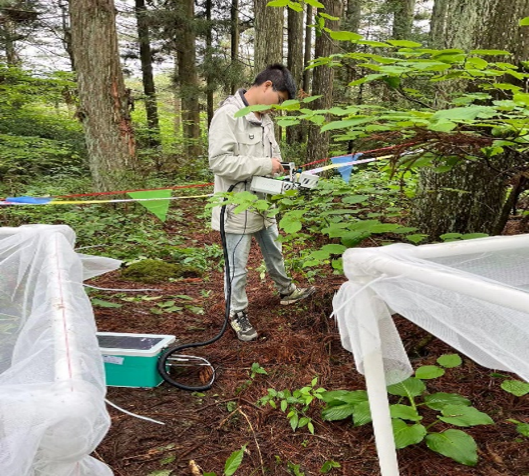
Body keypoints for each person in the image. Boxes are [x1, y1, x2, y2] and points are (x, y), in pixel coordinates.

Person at [208, 64, 316, 342]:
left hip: (264, 201)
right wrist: (265, 164)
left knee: (274, 250)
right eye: (278, 100)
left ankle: (286, 291)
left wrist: (284, 170)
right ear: (267, 86)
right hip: (236, 205)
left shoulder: (265, 118)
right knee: (237, 264)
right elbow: (219, 162)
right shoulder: (228, 115)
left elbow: (274, 156)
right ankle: (236, 313)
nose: (277, 107)